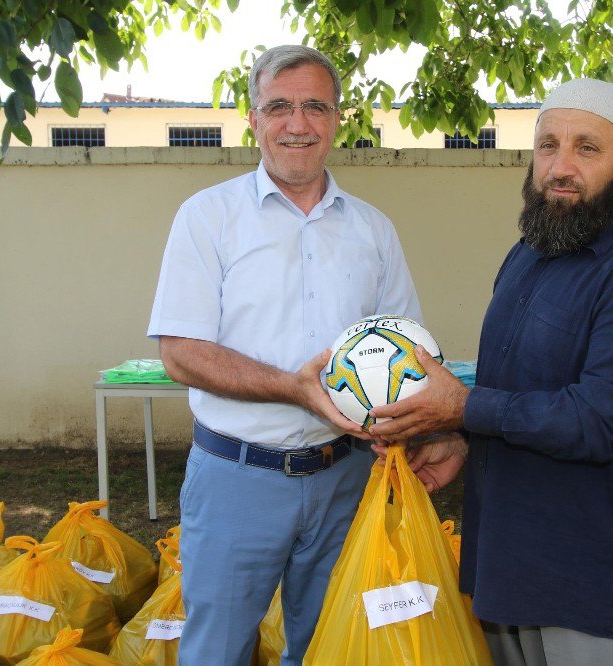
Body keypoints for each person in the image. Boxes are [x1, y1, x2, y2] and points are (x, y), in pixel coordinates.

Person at [369, 78, 613, 665]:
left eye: (587, 148)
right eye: (548, 145)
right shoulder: (529, 254)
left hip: (594, 589)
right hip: (507, 571)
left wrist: (464, 408)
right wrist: (464, 439)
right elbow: (521, 393)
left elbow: (603, 420)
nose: (560, 166)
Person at [147, 45, 421, 665]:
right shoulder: (207, 218)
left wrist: (421, 424)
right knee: (217, 652)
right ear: (253, 119)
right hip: (236, 478)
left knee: (331, 649)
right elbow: (182, 353)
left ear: (337, 119)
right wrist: (292, 388)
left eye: (314, 107)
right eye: (279, 107)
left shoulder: (373, 230)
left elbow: (405, 348)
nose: (297, 124)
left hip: (346, 477)